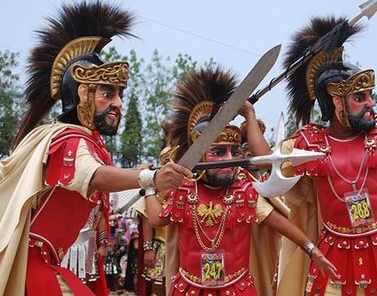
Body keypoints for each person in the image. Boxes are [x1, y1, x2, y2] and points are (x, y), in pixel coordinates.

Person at [0, 0, 191, 296]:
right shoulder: (69, 140)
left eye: (120, 95)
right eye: (108, 94)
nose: (118, 104)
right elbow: (94, 176)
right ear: (83, 93)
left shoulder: (86, 143)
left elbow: (110, 190)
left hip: (49, 264)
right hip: (34, 269)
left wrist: (148, 179)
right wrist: (150, 178)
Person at [241, 16, 377, 295]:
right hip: (335, 255)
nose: (371, 104)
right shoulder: (310, 143)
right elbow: (266, 161)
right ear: (335, 101)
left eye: (370, 95)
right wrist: (249, 116)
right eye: (360, 98)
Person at [145, 67, 338, 296]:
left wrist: (311, 249)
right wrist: (149, 184)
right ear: (199, 156)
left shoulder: (243, 190)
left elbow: (278, 223)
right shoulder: (185, 190)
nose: (229, 160)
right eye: (219, 152)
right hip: (190, 289)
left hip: (236, 289)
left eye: (233, 152)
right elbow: (157, 219)